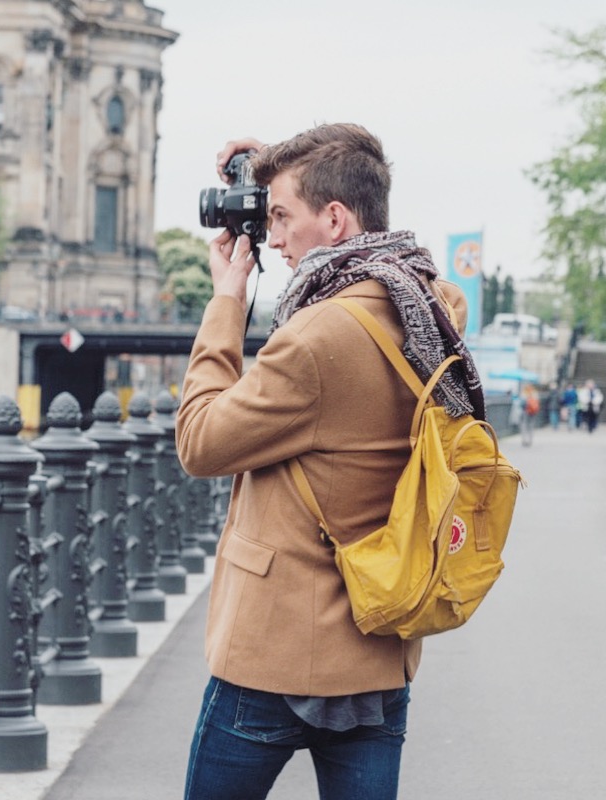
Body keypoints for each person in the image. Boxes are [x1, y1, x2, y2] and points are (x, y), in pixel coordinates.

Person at [175, 123, 484, 800]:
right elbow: (347, 174)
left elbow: (199, 442)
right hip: (377, 656)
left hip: (274, 662)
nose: (274, 237)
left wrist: (227, 298)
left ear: (335, 218)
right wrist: (268, 171)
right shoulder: (430, 302)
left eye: (281, 217)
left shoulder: (317, 335)